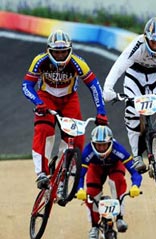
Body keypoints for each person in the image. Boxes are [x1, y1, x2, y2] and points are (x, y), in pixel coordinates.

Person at [22, 29, 108, 190]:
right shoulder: (39, 61)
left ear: (70, 50)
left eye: (63, 52)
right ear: (49, 51)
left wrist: (101, 111)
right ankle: (41, 173)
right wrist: (38, 102)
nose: (60, 56)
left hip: (69, 99)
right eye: (56, 52)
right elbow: (26, 85)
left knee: (77, 137)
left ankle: (65, 177)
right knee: (43, 131)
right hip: (46, 98)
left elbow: (94, 86)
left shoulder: (78, 62)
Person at [102, 16, 156, 173]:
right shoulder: (138, 44)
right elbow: (119, 67)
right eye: (152, 41)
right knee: (132, 112)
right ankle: (136, 155)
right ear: (145, 37)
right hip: (135, 76)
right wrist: (108, 89)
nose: (155, 46)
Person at [75, 125, 142, 239]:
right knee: (91, 194)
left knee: (118, 182)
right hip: (95, 168)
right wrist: (80, 189)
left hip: (114, 166)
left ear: (111, 143)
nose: (101, 148)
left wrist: (135, 186)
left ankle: (120, 218)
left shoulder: (119, 149)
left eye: (104, 144)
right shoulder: (87, 151)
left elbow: (135, 171)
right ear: (92, 143)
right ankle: (94, 227)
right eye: (98, 145)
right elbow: (79, 175)